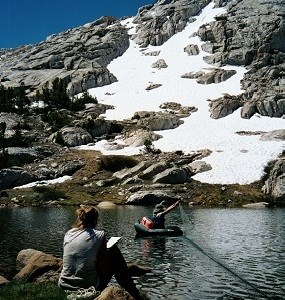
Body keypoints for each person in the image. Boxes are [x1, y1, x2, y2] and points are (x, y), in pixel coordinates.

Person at [58, 205, 144, 300]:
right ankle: (134, 292)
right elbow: (103, 269)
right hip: (88, 285)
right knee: (114, 252)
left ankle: (129, 282)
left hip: (64, 284)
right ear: (96, 220)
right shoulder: (100, 235)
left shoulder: (69, 233)